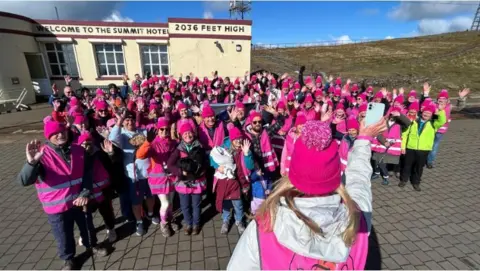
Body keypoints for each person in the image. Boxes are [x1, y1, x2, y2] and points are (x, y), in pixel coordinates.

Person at [227, 119, 387, 270]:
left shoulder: (264, 228)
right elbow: (359, 181)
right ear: (336, 174)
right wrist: (364, 139)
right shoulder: (358, 219)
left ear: (292, 174)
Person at [17, 121, 108, 270]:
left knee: (87, 227)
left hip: (80, 201)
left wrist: (85, 192)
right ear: (48, 136)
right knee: (63, 235)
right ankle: (68, 259)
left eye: (62, 131)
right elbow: (23, 181)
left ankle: (92, 246)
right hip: (57, 206)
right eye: (55, 133)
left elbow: (87, 174)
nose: (60, 135)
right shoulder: (41, 154)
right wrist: (31, 164)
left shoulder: (78, 150)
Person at [108, 110, 155, 236]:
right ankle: (139, 221)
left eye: (132, 119)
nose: (130, 122)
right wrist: (119, 122)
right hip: (132, 175)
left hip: (148, 172)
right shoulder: (122, 135)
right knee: (136, 201)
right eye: (127, 120)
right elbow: (111, 139)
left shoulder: (143, 131)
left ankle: (150, 214)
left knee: (150, 196)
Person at [136, 117, 178, 237]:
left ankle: (170, 219)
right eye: (162, 129)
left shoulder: (173, 142)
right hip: (159, 180)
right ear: (158, 130)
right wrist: (147, 142)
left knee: (170, 202)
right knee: (164, 203)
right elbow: (140, 155)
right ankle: (164, 224)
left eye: (167, 129)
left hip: (172, 178)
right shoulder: (153, 144)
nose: (164, 131)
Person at [210, 127, 254, 234]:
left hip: (238, 182)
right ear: (231, 139)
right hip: (225, 182)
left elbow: (250, 166)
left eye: (240, 139)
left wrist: (247, 154)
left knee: (238, 204)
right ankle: (226, 220)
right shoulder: (223, 148)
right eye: (236, 139)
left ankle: (239, 221)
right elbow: (212, 158)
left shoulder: (245, 149)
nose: (239, 142)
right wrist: (217, 166)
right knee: (225, 203)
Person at [76, 132, 118, 243]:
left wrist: (111, 154)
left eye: (89, 143)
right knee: (85, 214)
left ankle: (111, 229)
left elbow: (112, 164)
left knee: (106, 211)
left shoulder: (100, 154)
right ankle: (86, 233)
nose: (86, 146)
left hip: (103, 189)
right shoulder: (76, 158)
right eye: (83, 144)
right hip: (86, 192)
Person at [167, 123, 207, 235]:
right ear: (181, 135)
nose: (187, 135)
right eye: (185, 133)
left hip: (196, 181)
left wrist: (201, 170)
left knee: (196, 204)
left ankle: (196, 224)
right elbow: (170, 164)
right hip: (183, 183)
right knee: (184, 205)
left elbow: (205, 161)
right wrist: (180, 172)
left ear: (193, 133)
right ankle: (188, 223)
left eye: (189, 132)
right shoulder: (178, 149)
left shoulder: (200, 146)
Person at [400, 103, 447, 191]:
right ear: (422, 112)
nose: (426, 114)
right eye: (425, 112)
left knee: (419, 167)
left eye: (429, 113)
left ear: (432, 115)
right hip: (410, 147)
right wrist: (403, 147)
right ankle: (404, 180)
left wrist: (441, 111)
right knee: (407, 165)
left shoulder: (434, 123)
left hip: (424, 149)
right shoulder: (413, 121)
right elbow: (405, 134)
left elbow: (442, 120)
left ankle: (416, 182)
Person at [426, 88, 469, 168]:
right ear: (437, 99)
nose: (441, 101)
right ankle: (424, 159)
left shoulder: (449, 106)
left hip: (440, 130)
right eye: (439, 99)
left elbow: (459, 108)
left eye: (443, 99)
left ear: (447, 100)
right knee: (427, 143)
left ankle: (429, 161)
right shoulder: (433, 104)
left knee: (434, 145)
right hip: (430, 128)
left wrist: (461, 98)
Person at [371, 107, 411, 185]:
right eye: (392, 114)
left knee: (383, 163)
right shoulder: (383, 122)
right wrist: (384, 141)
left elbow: (408, 123)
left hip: (391, 147)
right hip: (380, 145)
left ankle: (386, 177)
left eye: (395, 115)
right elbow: (377, 133)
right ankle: (376, 173)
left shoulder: (400, 125)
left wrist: (400, 115)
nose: (393, 116)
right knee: (376, 161)